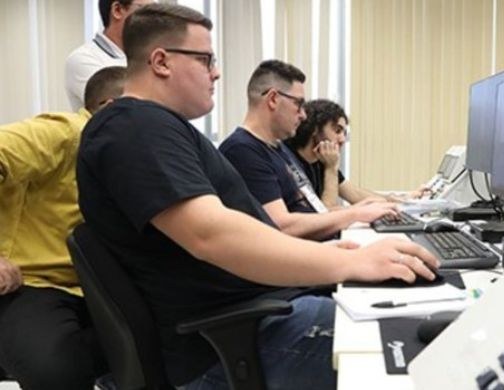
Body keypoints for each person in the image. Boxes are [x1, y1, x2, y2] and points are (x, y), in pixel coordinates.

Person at [76, 4, 438, 389]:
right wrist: (351, 264)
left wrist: (336, 254)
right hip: (237, 339)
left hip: (256, 317)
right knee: (431, 346)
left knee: (427, 316)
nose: (216, 72)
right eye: (205, 59)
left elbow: (240, 228)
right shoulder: (135, 127)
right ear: (162, 61)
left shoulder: (160, 128)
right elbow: (211, 235)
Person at [0, 66, 127, 390]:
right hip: (33, 284)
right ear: (111, 109)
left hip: (92, 289)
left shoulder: (131, 161)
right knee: (55, 371)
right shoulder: (68, 131)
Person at [220, 60, 399, 241]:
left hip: (321, 246)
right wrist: (354, 214)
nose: (304, 115)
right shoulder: (243, 150)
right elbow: (281, 226)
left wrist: (359, 209)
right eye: (298, 104)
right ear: (273, 99)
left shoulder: (279, 149)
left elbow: (317, 211)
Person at [285, 99, 430, 208]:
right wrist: (331, 169)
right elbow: (326, 216)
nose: (342, 139)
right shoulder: (288, 161)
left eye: (344, 133)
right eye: (337, 131)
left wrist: (404, 200)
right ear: (315, 128)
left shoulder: (321, 160)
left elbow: (355, 194)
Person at [65, 0, 153, 110]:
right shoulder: (84, 59)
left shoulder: (148, 55)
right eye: (147, 11)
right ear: (117, 10)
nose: (154, 20)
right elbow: (127, 109)